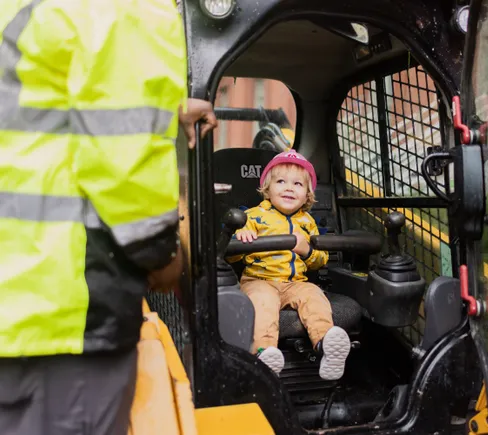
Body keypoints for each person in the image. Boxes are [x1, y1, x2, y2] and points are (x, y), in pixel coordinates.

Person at [0, 1, 216, 434]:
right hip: (63, 309)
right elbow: (125, 161)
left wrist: (164, 110)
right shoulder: (126, 6)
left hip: (23, 300)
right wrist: (164, 253)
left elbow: (43, 112)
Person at [228, 150, 351, 380]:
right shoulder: (253, 217)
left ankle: (326, 345)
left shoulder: (308, 223)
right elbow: (231, 257)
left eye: (297, 184)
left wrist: (307, 251)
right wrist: (240, 235)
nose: (288, 188)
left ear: (307, 195)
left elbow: (320, 260)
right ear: (267, 188)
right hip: (259, 281)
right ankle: (264, 353)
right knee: (263, 303)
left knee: (314, 296)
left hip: (296, 283)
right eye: (281, 181)